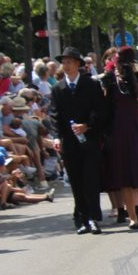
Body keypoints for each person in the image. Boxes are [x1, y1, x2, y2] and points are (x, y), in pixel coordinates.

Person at [49, 47, 106, 235]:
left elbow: (101, 110)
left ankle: (94, 218)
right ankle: (80, 218)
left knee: (91, 179)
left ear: (78, 64)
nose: (66, 65)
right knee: (75, 180)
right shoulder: (58, 89)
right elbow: (54, 115)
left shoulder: (90, 84)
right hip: (69, 142)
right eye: (63, 62)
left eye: (69, 62)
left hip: (89, 140)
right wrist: (57, 137)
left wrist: (87, 125)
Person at [102, 47, 138, 229]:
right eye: (117, 62)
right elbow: (106, 104)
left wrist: (131, 76)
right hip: (119, 127)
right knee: (124, 172)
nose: (119, 65)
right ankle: (132, 216)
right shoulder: (110, 79)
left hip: (137, 125)